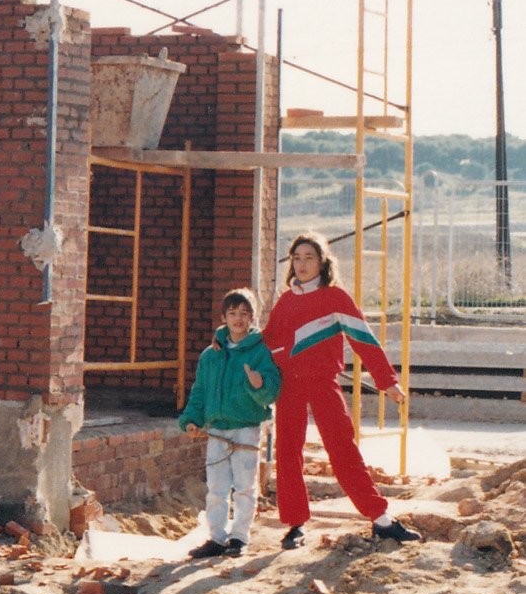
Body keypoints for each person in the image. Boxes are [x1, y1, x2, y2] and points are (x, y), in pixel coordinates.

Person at [264, 232, 419, 548]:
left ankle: (381, 519)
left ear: (322, 261)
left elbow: (363, 340)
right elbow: (267, 339)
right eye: (297, 258)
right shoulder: (285, 300)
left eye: (309, 258)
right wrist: (228, 340)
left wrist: (387, 381)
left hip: (323, 384)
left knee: (342, 449)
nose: (303, 264)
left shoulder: (336, 298)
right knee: (289, 453)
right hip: (289, 386)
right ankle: (295, 524)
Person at [178, 288, 281, 559]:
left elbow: (271, 390)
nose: (238, 319)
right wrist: (190, 419)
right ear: (223, 317)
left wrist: (259, 385)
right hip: (217, 430)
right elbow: (199, 391)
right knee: (216, 487)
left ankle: (239, 537)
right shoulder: (210, 355)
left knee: (245, 486)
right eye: (232, 313)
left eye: (244, 314)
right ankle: (217, 537)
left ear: (252, 318)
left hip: (246, 428)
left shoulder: (259, 352)